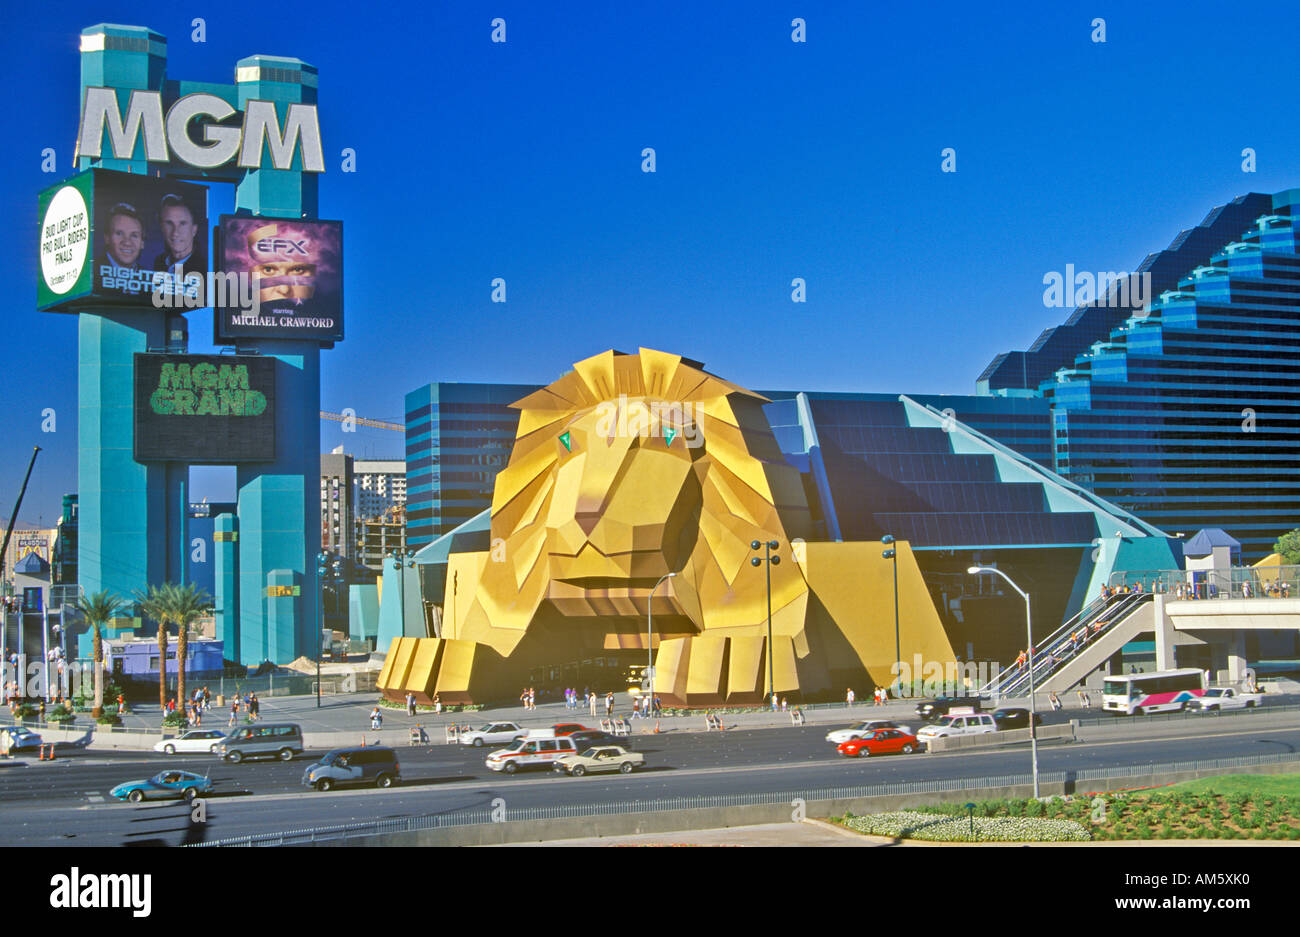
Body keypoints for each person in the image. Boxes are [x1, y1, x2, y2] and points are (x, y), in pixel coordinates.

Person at [96, 202, 151, 296]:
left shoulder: (151, 281)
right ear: (107, 238)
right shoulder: (91, 276)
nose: (127, 242)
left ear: (142, 243)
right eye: (119, 233)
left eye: (134, 235)